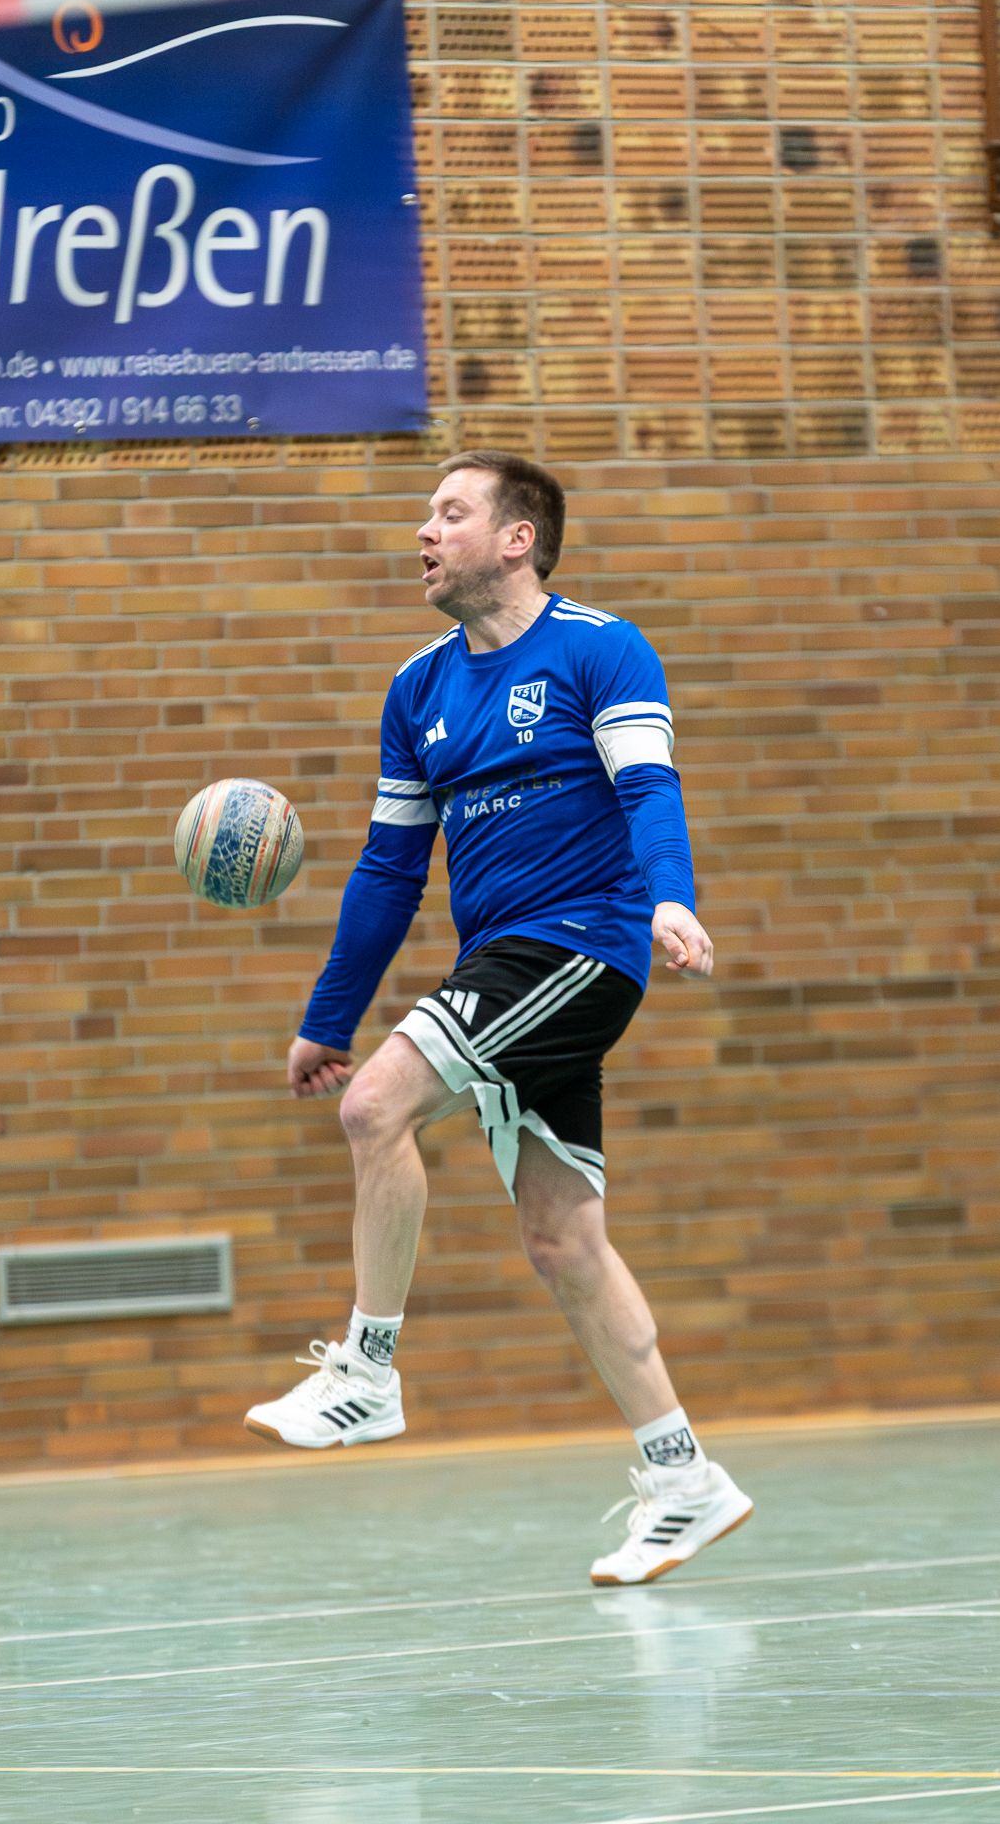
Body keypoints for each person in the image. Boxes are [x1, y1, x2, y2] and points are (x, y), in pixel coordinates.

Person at [244, 450, 753, 1586]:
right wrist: (328, 1017)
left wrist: (671, 896)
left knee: (377, 1108)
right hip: (500, 962)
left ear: (517, 538)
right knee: (562, 1238)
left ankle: (367, 1373)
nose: (423, 531)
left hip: (582, 945)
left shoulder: (599, 648)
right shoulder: (417, 688)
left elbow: (647, 785)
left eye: (449, 512)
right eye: (425, 514)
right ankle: (684, 1480)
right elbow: (388, 871)